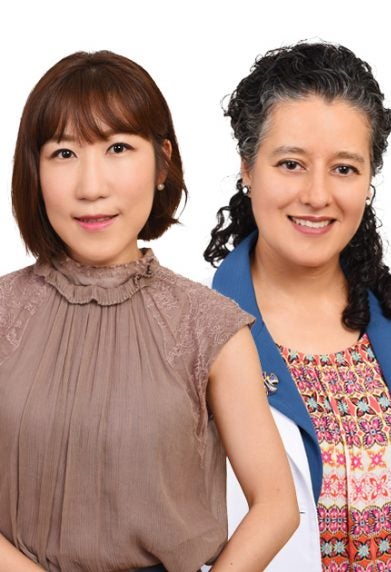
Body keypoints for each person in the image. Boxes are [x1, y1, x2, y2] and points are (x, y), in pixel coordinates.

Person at [0, 51, 297, 572]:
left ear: (162, 163)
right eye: (64, 153)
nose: (91, 186)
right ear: (35, 168)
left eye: (118, 148)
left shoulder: (210, 326)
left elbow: (276, 506)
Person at [204, 42, 391, 571]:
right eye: (291, 164)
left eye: (345, 169)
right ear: (247, 167)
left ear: (369, 180)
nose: (316, 194)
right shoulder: (195, 332)